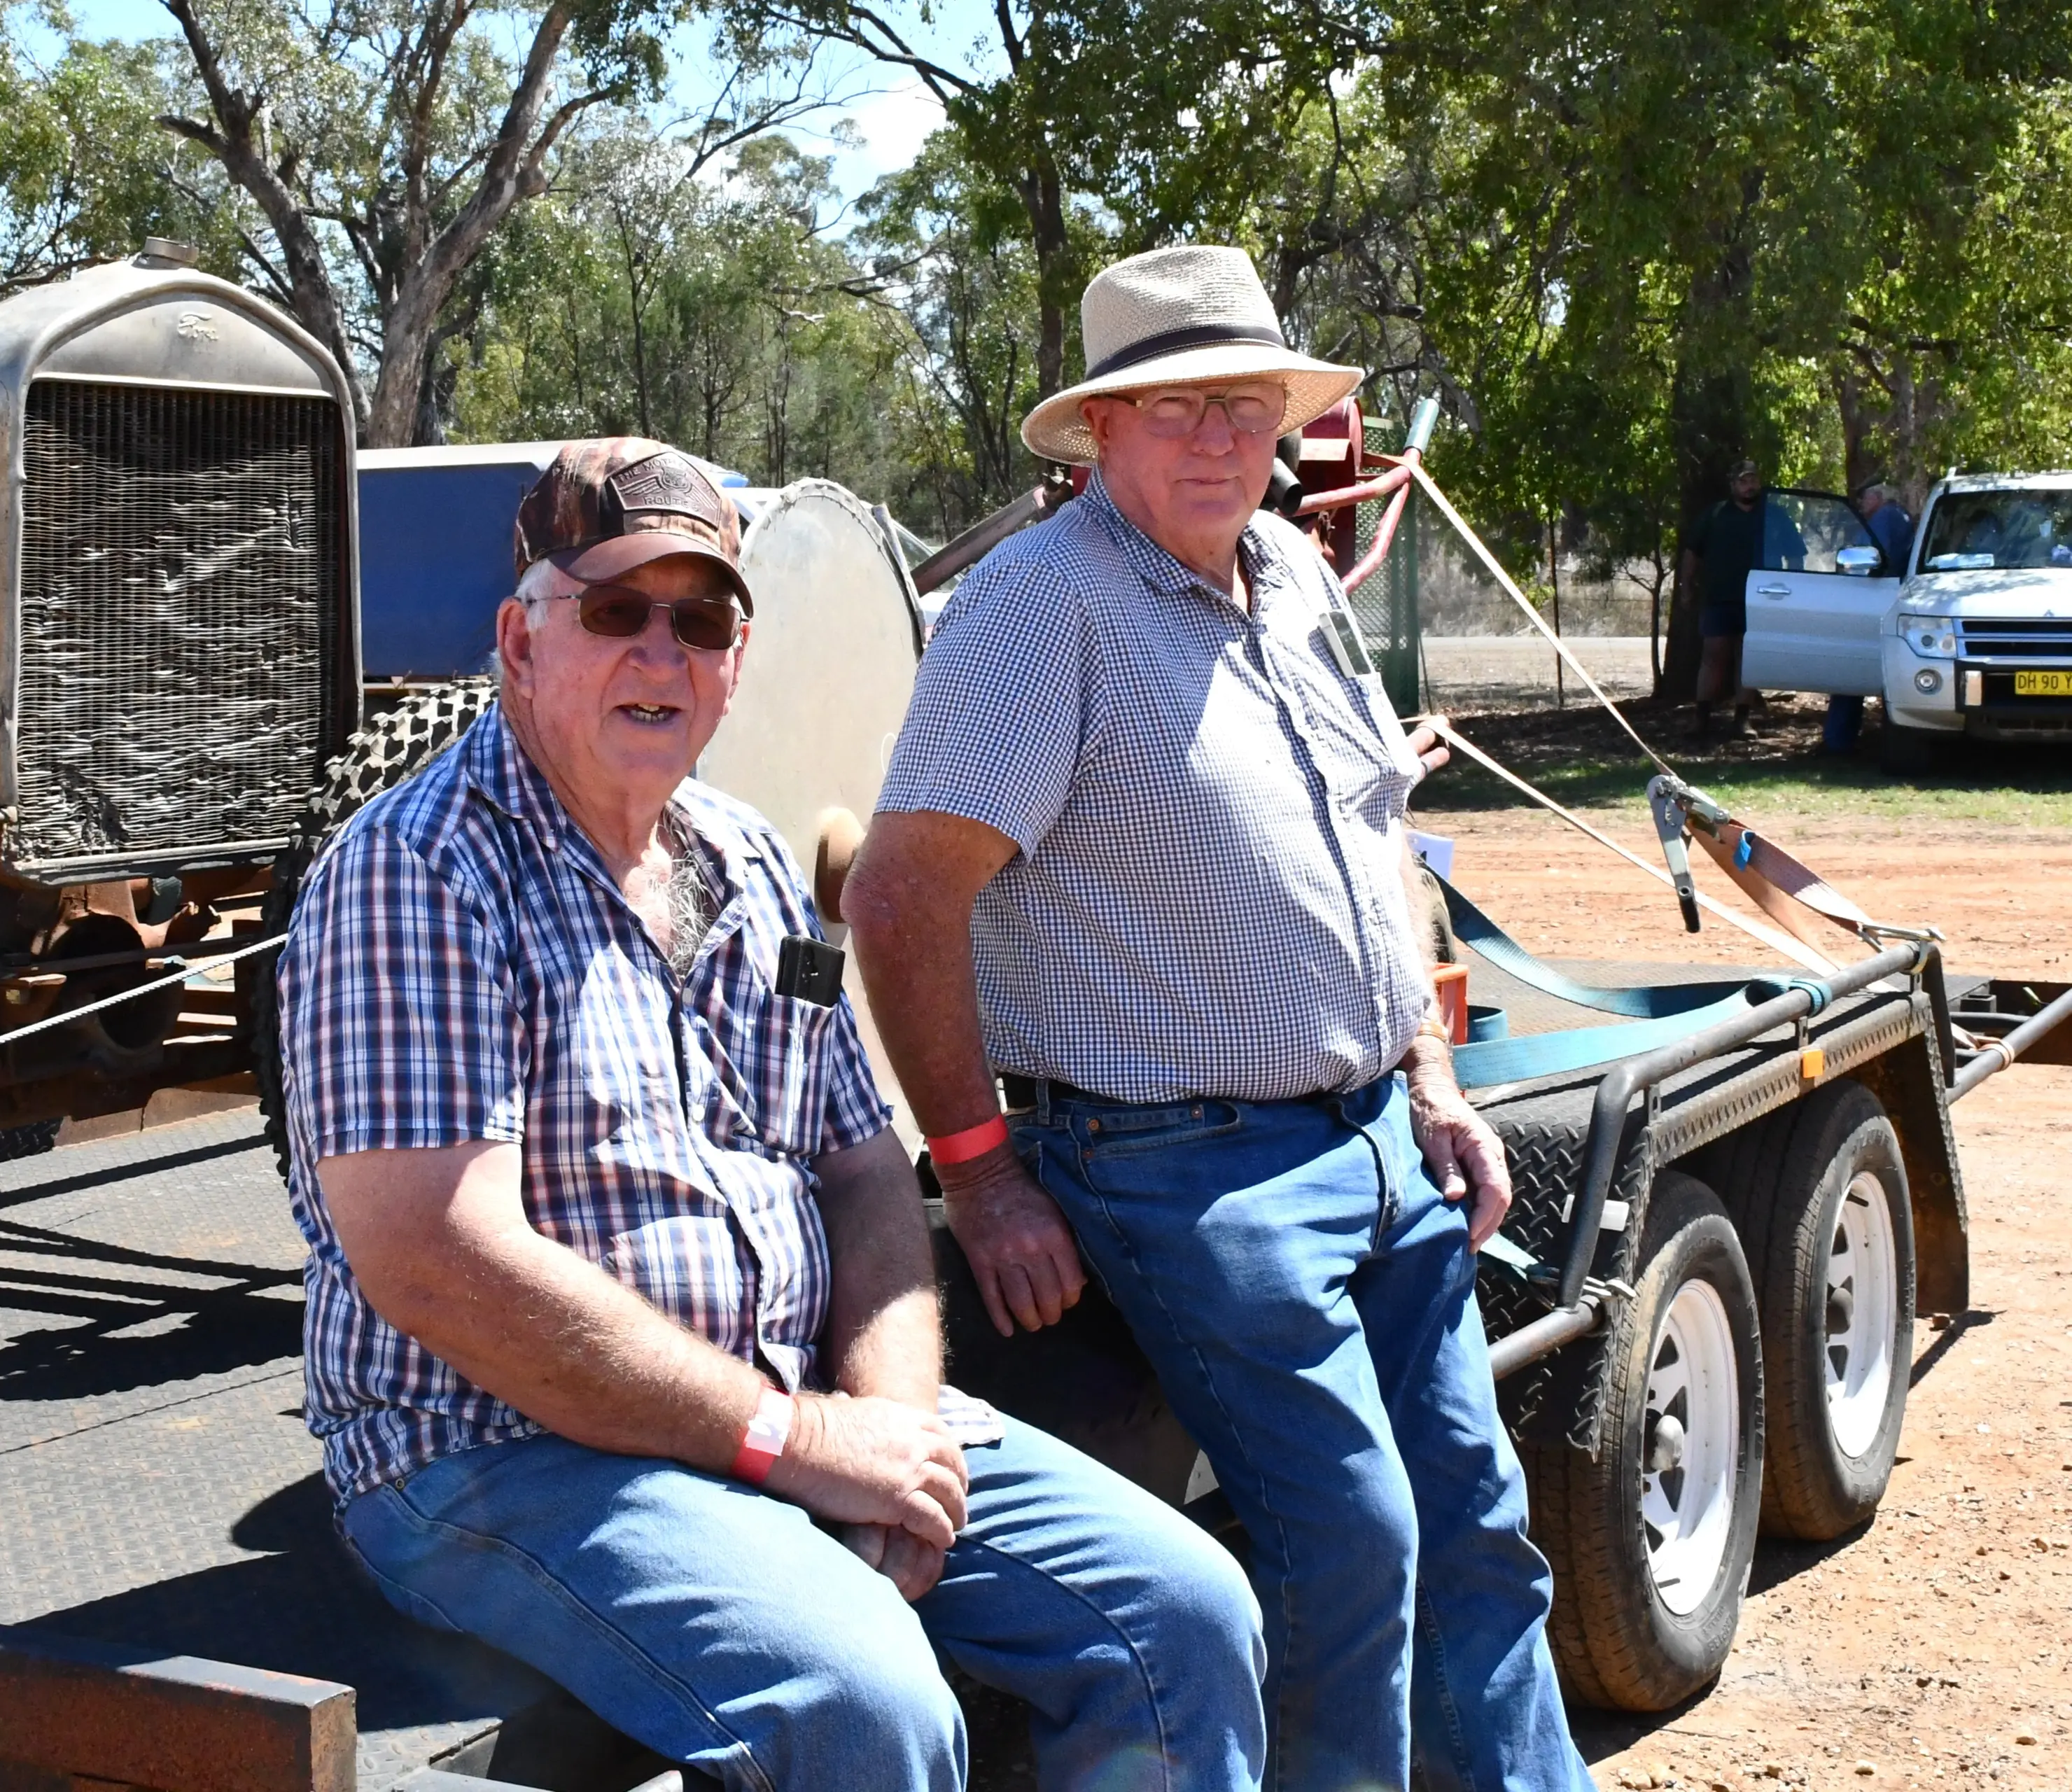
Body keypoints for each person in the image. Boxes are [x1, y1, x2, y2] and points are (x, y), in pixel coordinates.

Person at [273, 436, 1266, 1792]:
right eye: (616, 610)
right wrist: (797, 1443)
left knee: (1189, 1617)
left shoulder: (743, 863)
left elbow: (857, 1162)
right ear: (518, 641)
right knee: (870, 1706)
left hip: (782, 1411)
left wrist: (896, 1433)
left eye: (703, 619)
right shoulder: (412, 877)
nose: (661, 654)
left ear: (739, 660)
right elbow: (439, 1265)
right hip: (497, 1456)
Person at [840, 246, 1595, 1792]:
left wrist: (1435, 1071)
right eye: (1173, 406)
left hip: (1382, 1135)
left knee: (1476, 1518)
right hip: (1182, 1165)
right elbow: (903, 899)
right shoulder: (1038, 608)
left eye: (1244, 405)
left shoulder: (1296, 571)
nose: (1215, 437)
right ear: (1098, 434)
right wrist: (979, 1175)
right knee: (1353, 1543)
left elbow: (1377, 827)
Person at [1681, 460, 1801, 736]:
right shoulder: (1715, 515)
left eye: (1753, 480)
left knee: (1748, 658)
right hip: (1719, 598)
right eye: (1743, 481)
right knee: (1713, 656)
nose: (1750, 486)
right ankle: (1701, 718)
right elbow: (1692, 554)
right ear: (1733, 485)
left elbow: (1795, 555)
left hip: (1762, 601)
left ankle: (1742, 720)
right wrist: (1686, 586)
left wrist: (1795, 590)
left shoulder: (1775, 516)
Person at [1826, 479, 1916, 753]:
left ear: (1878, 498)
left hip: (1874, 599)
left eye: (1865, 498)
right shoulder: (1901, 516)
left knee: (1847, 668)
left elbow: (1872, 559)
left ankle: (1838, 741)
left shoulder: (1884, 517)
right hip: (1894, 598)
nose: (1862, 504)